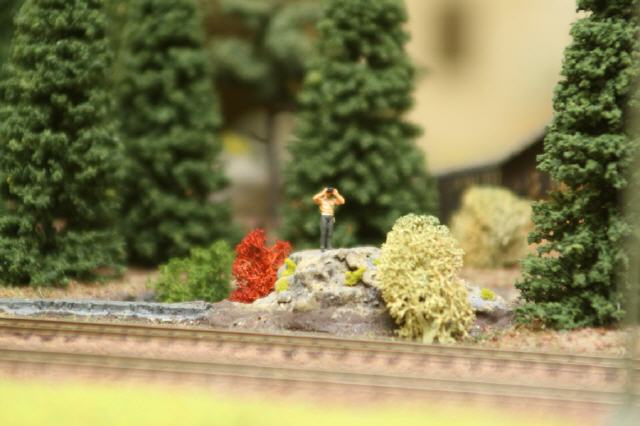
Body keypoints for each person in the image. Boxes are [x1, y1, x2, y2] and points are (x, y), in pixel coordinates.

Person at [312, 187, 345, 251]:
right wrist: (322, 193)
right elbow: (314, 198)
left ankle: (329, 246)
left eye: (329, 192)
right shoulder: (321, 200)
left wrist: (336, 194)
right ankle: (322, 246)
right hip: (324, 216)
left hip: (331, 217)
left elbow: (342, 201)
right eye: (328, 192)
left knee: (330, 232)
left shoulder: (333, 200)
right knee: (323, 232)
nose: (328, 193)